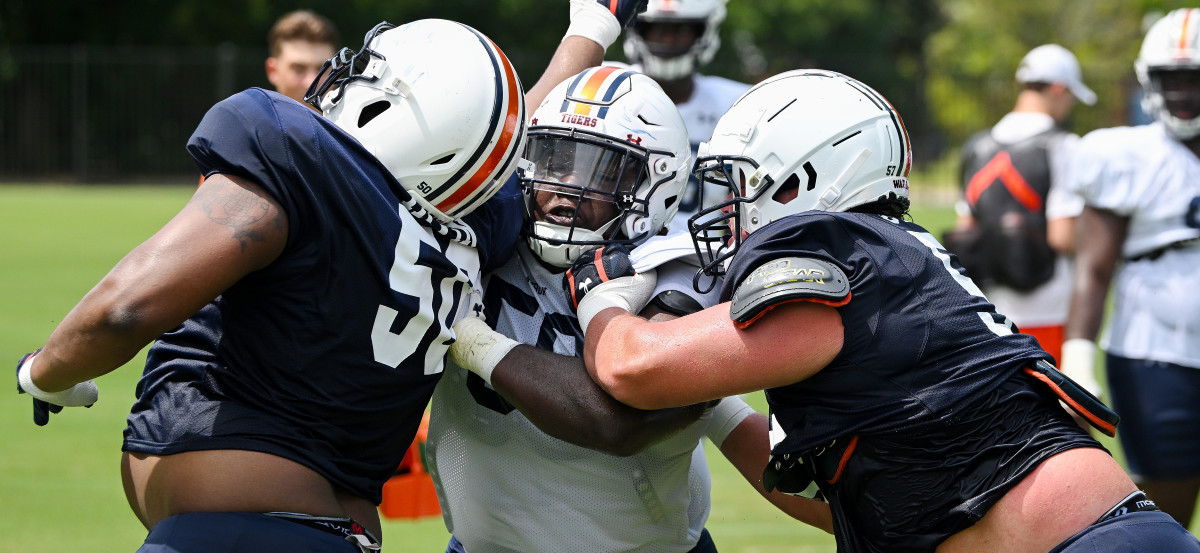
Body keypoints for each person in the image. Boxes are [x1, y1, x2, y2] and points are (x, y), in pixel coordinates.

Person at [13, 6, 638, 549]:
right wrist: (592, 27)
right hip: (344, 532)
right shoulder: (475, 231)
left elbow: (127, 308)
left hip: (235, 529)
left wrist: (44, 373)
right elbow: (494, 133)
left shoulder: (302, 156)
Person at [537, 69, 1199, 552]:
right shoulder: (887, 256)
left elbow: (630, 368)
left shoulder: (837, 251)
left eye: (740, 185)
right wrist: (714, 405)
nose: (726, 212)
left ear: (805, 180)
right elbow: (839, 500)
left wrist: (600, 290)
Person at [432, 65, 832, 553]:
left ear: (657, 183)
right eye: (555, 160)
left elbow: (618, 422)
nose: (567, 185)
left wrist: (467, 335)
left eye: (599, 169)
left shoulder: (678, 266)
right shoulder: (481, 243)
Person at [1063, 7, 1200, 529]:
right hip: (1155, 358)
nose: (1184, 93)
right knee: (1168, 512)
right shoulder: (1125, 155)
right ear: (1150, 82)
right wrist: (1077, 359)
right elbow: (1092, 269)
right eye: (1173, 80)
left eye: (1195, 80)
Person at [945, 44, 1094, 370]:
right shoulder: (1063, 145)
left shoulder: (977, 147)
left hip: (987, 314)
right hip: (1048, 309)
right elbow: (1063, 237)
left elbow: (965, 231)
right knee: (1061, 414)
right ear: (1058, 88)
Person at [622, 0, 751, 235]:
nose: (668, 41)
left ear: (703, 33)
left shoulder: (742, 104)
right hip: (621, 247)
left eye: (680, 30)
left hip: (703, 255)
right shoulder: (610, 86)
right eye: (657, 29)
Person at [265, 9, 340, 108]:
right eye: (298, 69)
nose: (311, 82)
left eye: (323, 69)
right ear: (273, 71)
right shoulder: (248, 122)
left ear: (338, 72)